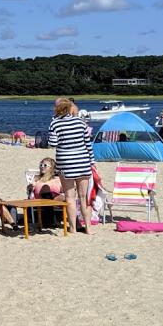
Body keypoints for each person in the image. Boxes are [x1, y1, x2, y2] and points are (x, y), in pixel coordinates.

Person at [48, 97, 94, 233]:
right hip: (83, 161)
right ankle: (88, 228)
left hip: (66, 162)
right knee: (83, 197)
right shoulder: (80, 122)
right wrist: (92, 161)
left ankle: (73, 228)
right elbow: (88, 144)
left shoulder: (55, 123)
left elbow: (53, 143)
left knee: (70, 197)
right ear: (69, 108)